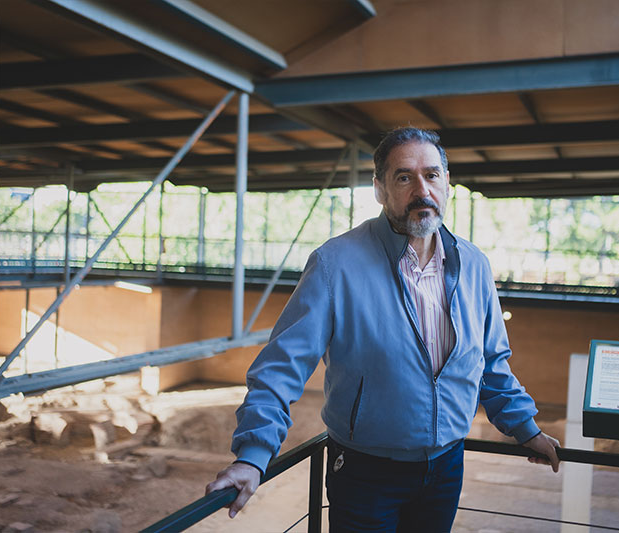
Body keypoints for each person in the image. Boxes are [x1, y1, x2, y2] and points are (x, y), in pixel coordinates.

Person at [206, 127, 560, 532]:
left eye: (431, 175)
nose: (421, 190)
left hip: (445, 470)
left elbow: (491, 363)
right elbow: (281, 367)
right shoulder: (335, 264)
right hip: (364, 474)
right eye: (404, 177)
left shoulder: (474, 266)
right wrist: (253, 456)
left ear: (447, 184)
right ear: (379, 189)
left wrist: (526, 428)